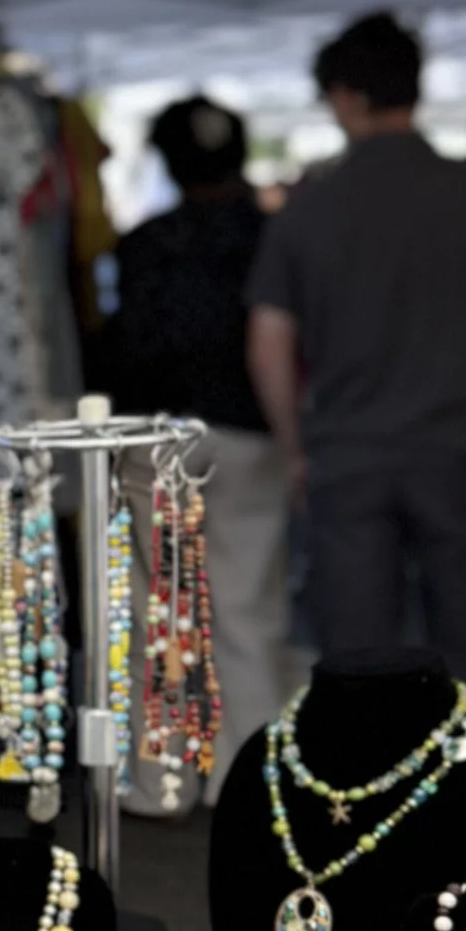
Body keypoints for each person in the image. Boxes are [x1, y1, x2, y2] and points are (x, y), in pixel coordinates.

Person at [247, 10, 466, 718]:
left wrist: (294, 450)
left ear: (347, 95)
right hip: (462, 445)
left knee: (358, 672)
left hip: (349, 455)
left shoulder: (310, 207)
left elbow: (268, 341)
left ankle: (370, 821)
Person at [105, 96, 295, 794]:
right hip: (248, 435)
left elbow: (125, 344)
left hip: (153, 438)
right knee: (246, 610)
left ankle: (159, 778)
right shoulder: (271, 236)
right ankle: (247, 786)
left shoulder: (144, 243)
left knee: (159, 610)